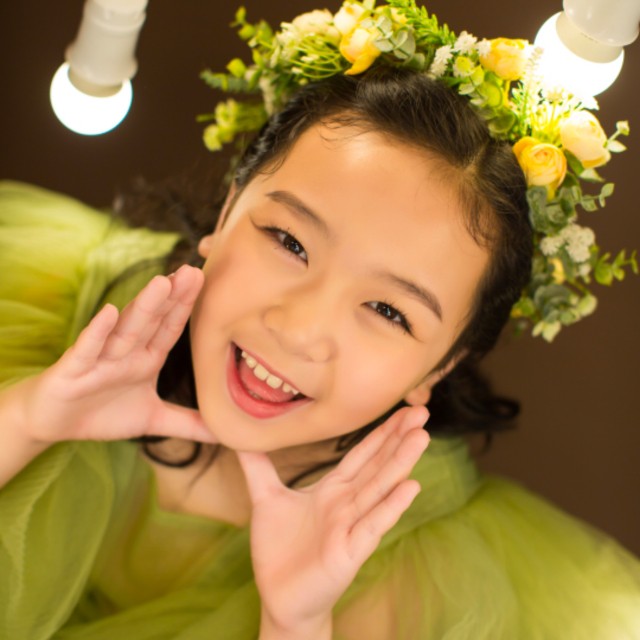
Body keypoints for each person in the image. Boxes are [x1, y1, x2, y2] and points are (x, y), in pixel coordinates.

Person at [1, 2, 639, 639]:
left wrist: (295, 620)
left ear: (442, 365)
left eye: (388, 311)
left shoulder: (408, 569)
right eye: (290, 242)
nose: (299, 329)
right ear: (227, 212)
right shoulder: (61, 306)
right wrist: (28, 418)